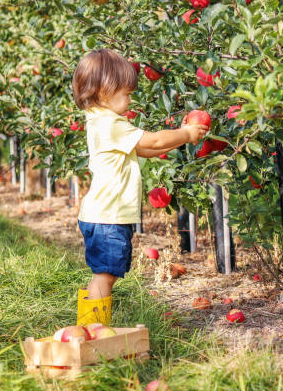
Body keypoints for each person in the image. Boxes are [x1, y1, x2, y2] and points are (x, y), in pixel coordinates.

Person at [71, 48, 208, 326]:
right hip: (107, 217)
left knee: (103, 273)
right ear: (104, 92)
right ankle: (93, 330)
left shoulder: (101, 121)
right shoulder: (110, 124)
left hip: (103, 215)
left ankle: (89, 328)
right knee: (105, 275)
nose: (130, 99)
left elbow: (146, 150)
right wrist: (186, 133)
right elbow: (154, 142)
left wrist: (181, 138)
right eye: (126, 93)